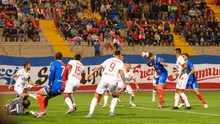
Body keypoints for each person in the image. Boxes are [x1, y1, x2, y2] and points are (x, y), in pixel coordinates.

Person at [85, 50, 126, 118]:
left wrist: (91, 73)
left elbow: (99, 67)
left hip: (104, 80)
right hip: (113, 81)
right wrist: (124, 82)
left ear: (113, 54)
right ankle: (111, 112)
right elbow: (121, 73)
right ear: (119, 55)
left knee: (96, 95)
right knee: (115, 96)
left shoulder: (109, 60)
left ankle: (90, 113)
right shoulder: (121, 62)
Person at [32, 52, 68, 118]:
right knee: (46, 97)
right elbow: (66, 77)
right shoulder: (65, 65)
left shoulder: (53, 63)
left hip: (56, 85)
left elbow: (52, 74)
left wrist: (50, 84)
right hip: (63, 86)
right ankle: (41, 111)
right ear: (62, 57)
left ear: (55, 57)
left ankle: (43, 111)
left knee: (38, 94)